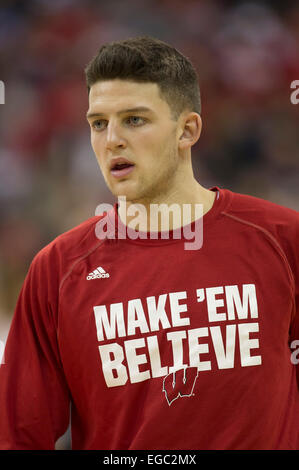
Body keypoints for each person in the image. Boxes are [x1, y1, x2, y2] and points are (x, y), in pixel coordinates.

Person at [0, 35, 298, 451]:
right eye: (98, 123)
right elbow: (18, 435)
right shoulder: (58, 269)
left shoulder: (283, 239)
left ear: (187, 130)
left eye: (134, 120)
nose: (112, 140)